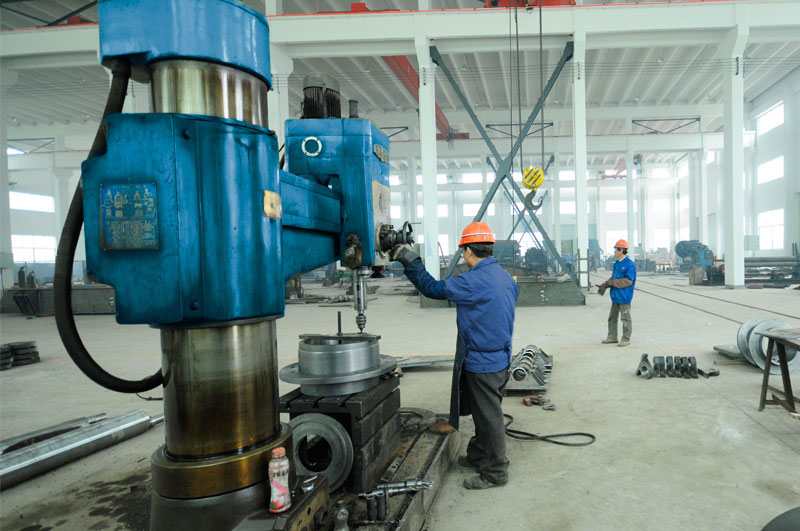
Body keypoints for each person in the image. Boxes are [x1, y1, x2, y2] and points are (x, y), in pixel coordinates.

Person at [389, 221, 519, 490]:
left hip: (483, 362)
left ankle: (496, 472)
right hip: (500, 358)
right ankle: (478, 456)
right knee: (485, 412)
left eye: (463, 251)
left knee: (489, 418)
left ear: (468, 251)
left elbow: (432, 288)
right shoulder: (505, 277)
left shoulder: (472, 281)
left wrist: (408, 258)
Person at [598, 240, 636, 347]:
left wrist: (612, 283)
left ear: (622, 250)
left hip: (624, 296)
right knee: (612, 318)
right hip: (615, 296)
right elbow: (614, 278)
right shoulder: (617, 263)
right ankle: (612, 337)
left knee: (625, 318)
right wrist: (606, 284)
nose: (615, 251)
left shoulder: (629, 264)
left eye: (616, 249)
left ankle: (626, 339)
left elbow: (628, 281)